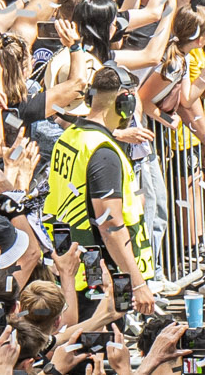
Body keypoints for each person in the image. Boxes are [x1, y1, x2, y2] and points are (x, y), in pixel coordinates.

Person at [42, 65, 159, 319]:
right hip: (100, 275)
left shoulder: (71, 136)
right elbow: (111, 226)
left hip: (76, 266)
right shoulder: (103, 152)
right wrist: (137, 283)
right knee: (104, 348)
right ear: (124, 104)